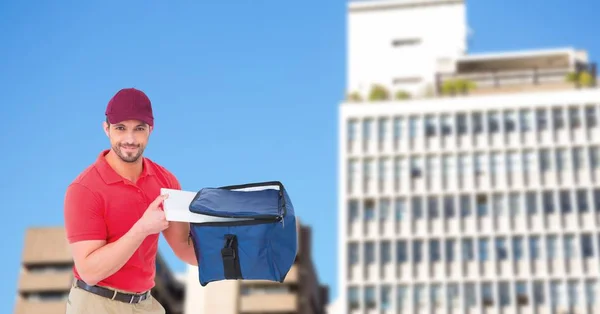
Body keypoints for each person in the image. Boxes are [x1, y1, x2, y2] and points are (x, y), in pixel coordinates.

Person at [63, 87, 198, 314]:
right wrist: (142, 229)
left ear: (150, 130)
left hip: (143, 304)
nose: (130, 139)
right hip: (96, 303)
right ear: (106, 129)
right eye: (121, 128)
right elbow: (89, 271)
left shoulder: (165, 181)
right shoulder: (84, 189)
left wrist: (236, 251)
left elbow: (185, 248)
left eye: (139, 129)